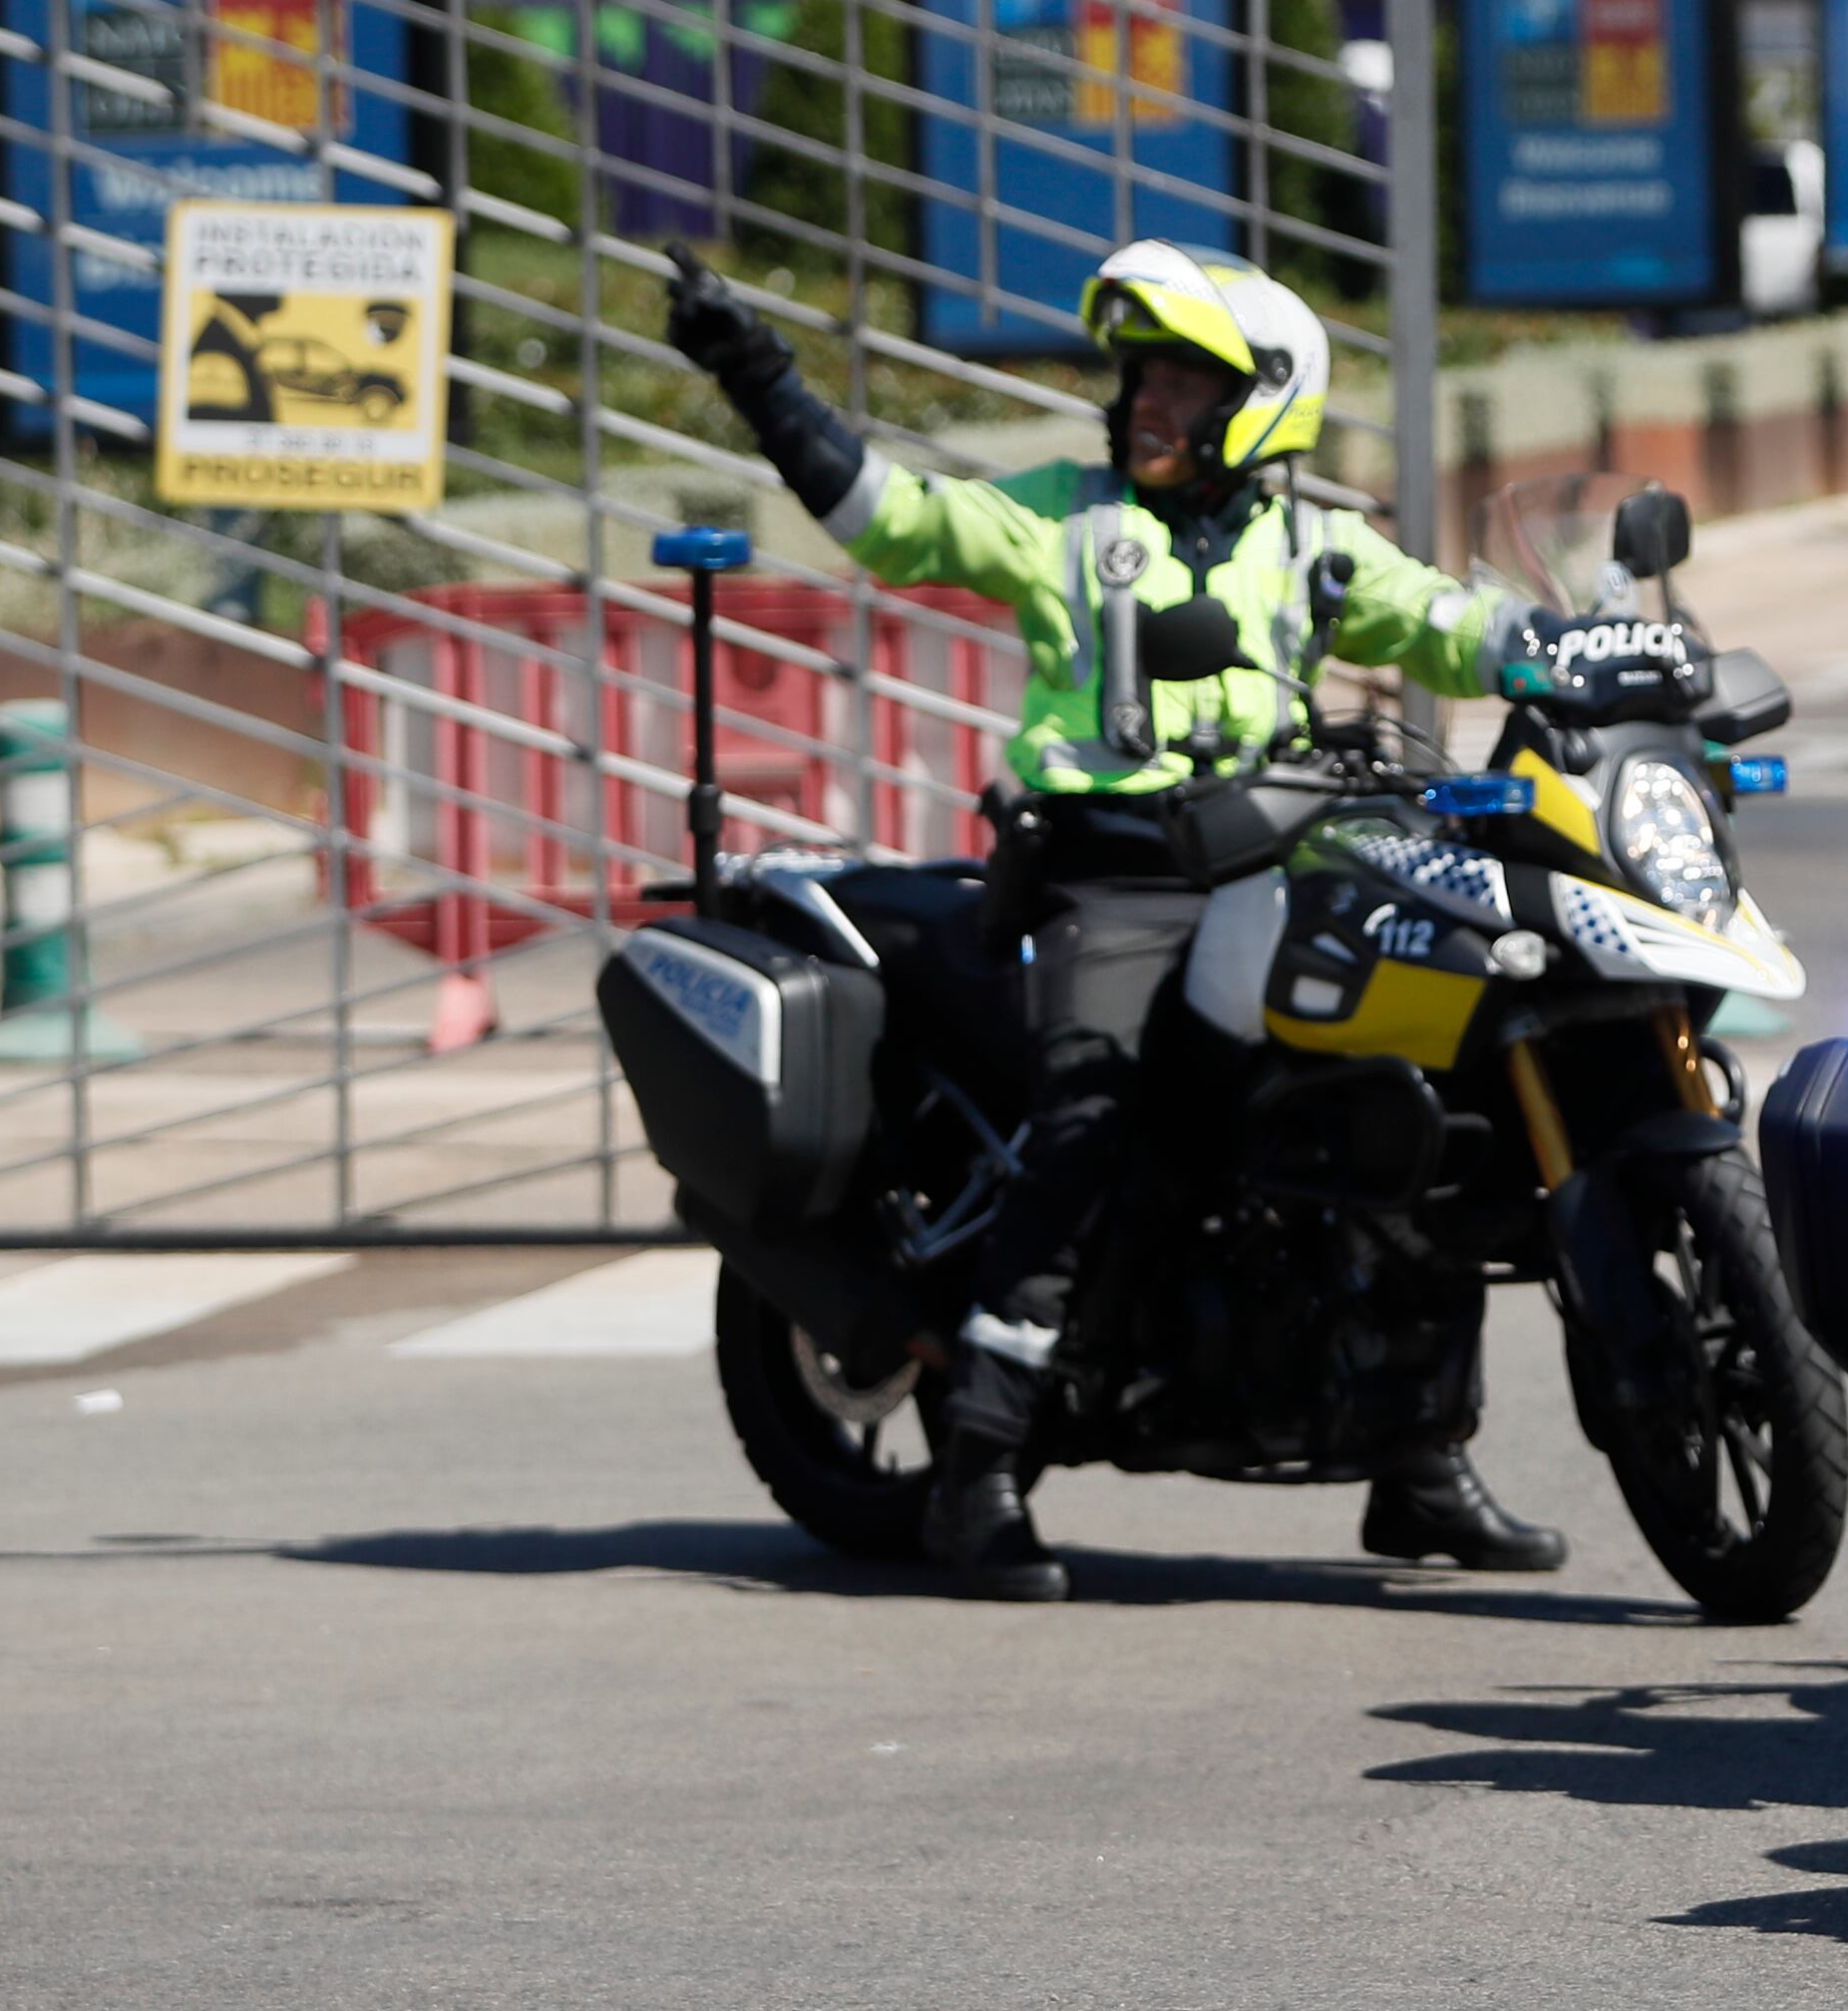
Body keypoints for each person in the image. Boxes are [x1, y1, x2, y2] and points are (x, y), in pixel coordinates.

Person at [670, 235, 1593, 1601]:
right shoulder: (1061, 518)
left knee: (1414, 1107)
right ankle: (979, 1469)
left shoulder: (1318, 549)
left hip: (1286, 862)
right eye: (1140, 381)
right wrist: (758, 374)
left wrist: (1569, 649)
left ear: (1260, 404)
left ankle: (1418, 1460)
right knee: (1092, 1122)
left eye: (1182, 385)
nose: (1146, 406)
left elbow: (1452, 623)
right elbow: (889, 516)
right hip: (1115, 875)